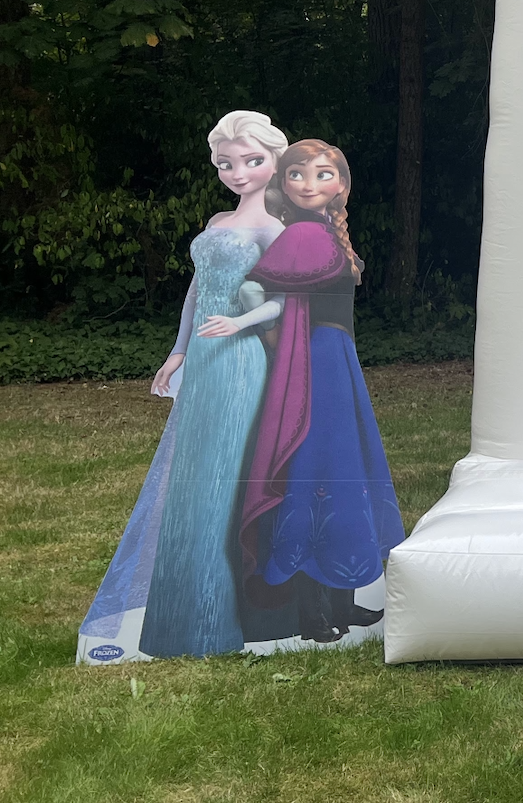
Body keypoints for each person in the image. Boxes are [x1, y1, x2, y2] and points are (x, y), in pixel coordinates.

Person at [79, 111, 289, 663]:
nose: (237, 172)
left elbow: (286, 301)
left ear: (273, 160)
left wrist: (240, 325)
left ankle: (213, 620)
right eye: (225, 163)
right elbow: (196, 294)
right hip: (204, 358)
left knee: (219, 479)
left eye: (251, 161)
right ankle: (176, 622)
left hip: (241, 360)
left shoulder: (276, 229)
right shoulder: (220, 220)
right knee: (189, 480)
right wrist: (177, 352)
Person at [239, 139, 405, 644]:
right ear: (283, 186)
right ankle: (310, 612)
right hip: (316, 363)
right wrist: (274, 340)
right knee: (317, 471)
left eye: (324, 174)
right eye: (297, 174)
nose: (310, 183)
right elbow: (256, 288)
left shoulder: (324, 232)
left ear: (342, 185)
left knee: (340, 470)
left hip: (337, 360)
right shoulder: (302, 236)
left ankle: (342, 600)